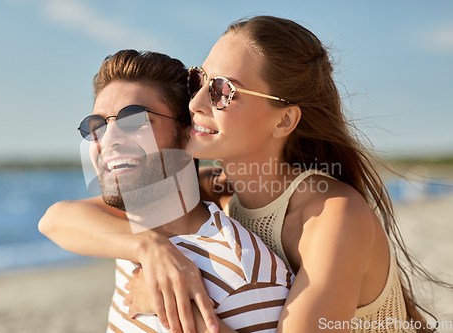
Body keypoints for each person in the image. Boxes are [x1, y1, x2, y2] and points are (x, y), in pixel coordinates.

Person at [40, 16, 449, 333]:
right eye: (199, 81)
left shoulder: (331, 217)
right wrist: (149, 249)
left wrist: (180, 317)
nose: (196, 101)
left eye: (222, 91)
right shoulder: (220, 190)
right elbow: (59, 218)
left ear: (284, 119)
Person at [42, 49, 295, 333]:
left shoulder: (243, 274)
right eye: (97, 125)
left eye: (134, 120)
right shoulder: (130, 234)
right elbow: (52, 219)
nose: (108, 138)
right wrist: (150, 248)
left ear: (188, 133)